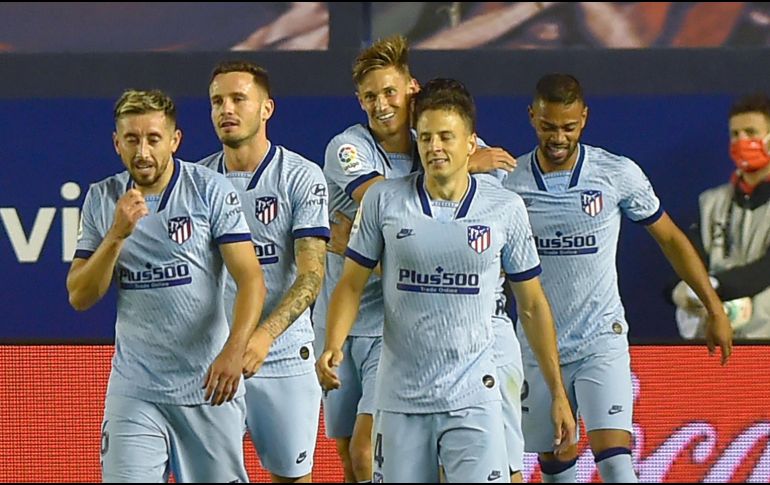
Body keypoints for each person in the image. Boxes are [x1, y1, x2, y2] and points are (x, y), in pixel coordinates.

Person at [317, 78, 574, 483]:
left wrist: (557, 391)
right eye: (428, 138)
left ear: (472, 144)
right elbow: (350, 283)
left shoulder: (503, 209)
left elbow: (533, 304)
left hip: (473, 396)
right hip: (400, 396)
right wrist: (332, 344)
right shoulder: (385, 201)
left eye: (447, 137)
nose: (435, 147)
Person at [501, 73, 733, 483]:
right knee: (557, 463)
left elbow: (672, 240)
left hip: (599, 341)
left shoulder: (616, 174)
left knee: (616, 463)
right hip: (535, 350)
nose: (558, 137)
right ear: (532, 117)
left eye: (569, 127)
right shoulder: (508, 182)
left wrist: (714, 308)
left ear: (585, 119)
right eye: (548, 125)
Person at [66, 89, 266, 482]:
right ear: (116, 143)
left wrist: (234, 349)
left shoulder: (210, 190)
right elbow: (80, 295)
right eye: (132, 140)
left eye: (153, 139)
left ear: (174, 140)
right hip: (136, 389)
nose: (142, 152)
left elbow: (251, 279)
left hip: (207, 386)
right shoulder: (103, 198)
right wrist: (116, 236)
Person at [198, 60, 330, 483]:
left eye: (239, 99)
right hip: (215, 360)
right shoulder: (196, 182)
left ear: (266, 108)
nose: (226, 110)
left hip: (284, 354)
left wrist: (262, 337)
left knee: (291, 479)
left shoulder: (301, 177)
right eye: (218, 101)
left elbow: (311, 276)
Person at [672, 93, 770, 340]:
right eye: (735, 134)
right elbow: (689, 259)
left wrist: (713, 286)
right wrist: (684, 290)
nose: (742, 141)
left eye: (751, 132)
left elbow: (765, 270)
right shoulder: (711, 202)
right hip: (715, 338)